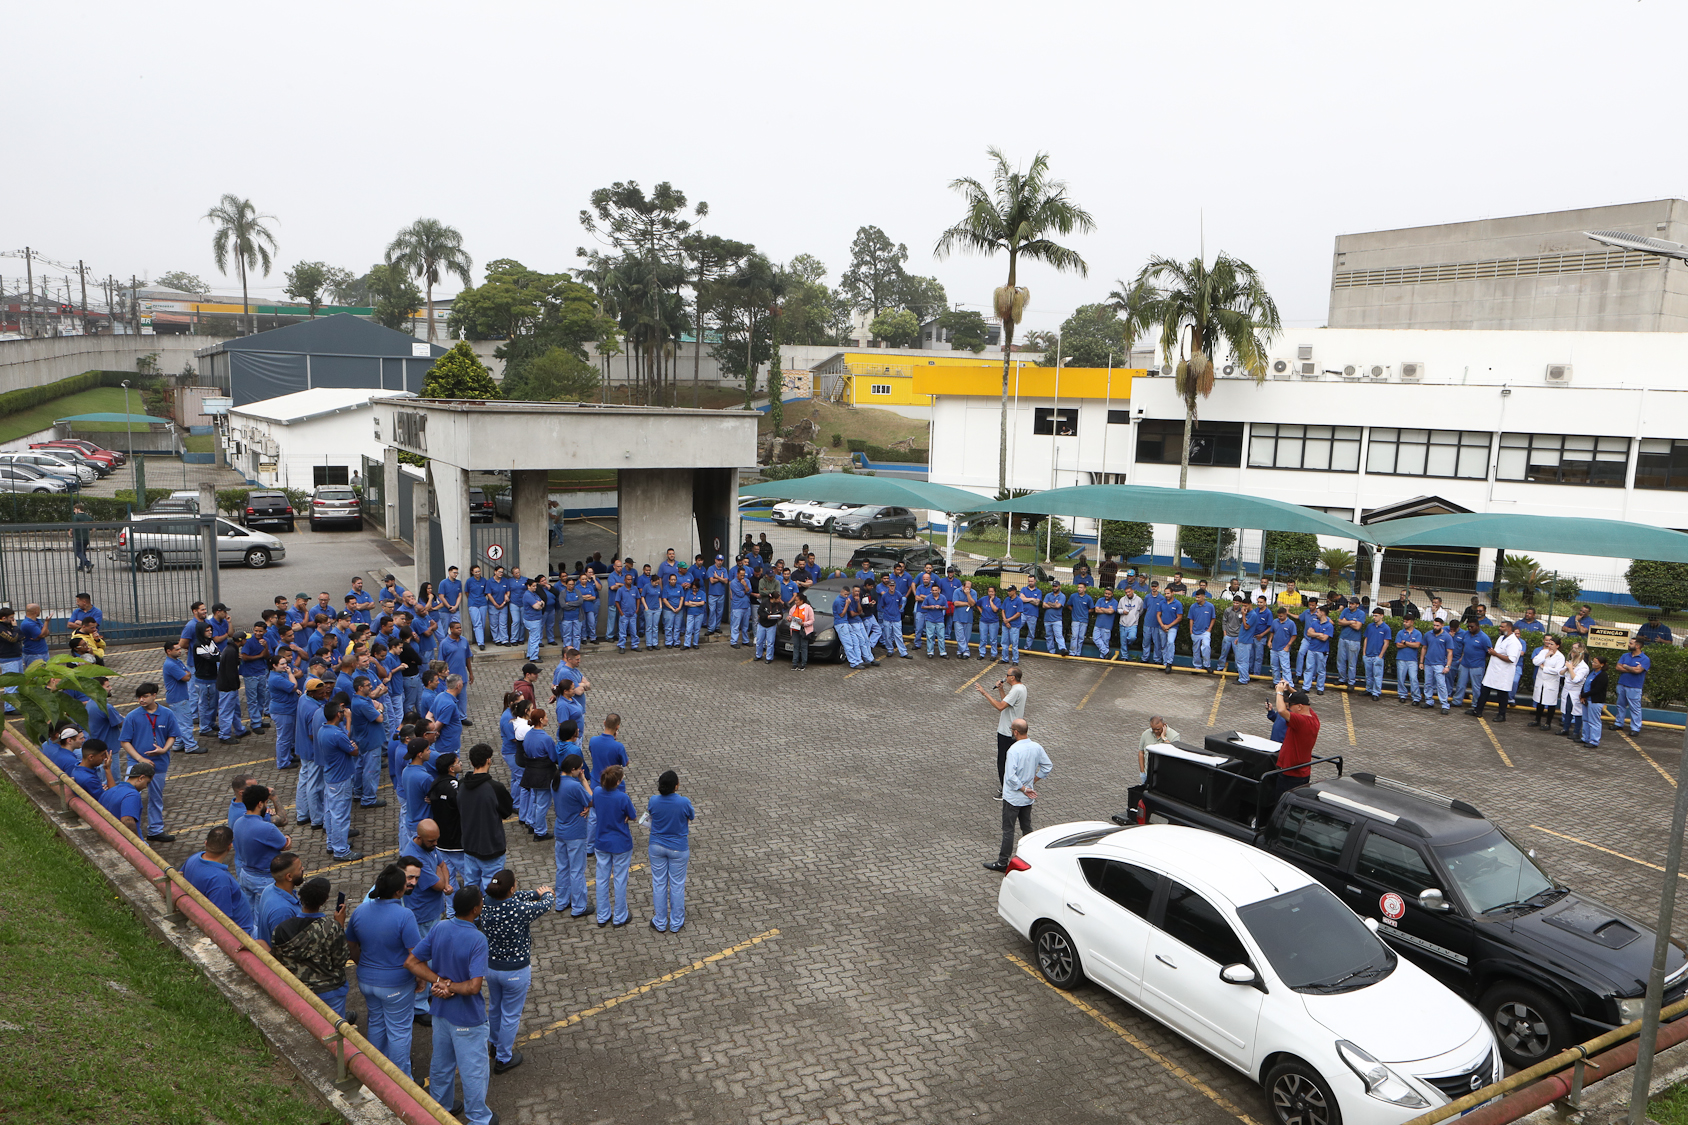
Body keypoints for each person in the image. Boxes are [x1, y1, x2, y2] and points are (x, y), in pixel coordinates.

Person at [407, 885, 493, 1123]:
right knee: (473, 1071)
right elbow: (473, 987)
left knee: (441, 1064)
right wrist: (450, 986)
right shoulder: (478, 939)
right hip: (468, 1018)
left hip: (440, 1013)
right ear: (475, 909)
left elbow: (412, 962)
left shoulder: (440, 927)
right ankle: (478, 1118)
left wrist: (438, 982)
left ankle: (440, 1109)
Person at [347, 864, 423, 1077]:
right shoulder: (405, 915)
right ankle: (400, 1079)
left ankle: (375, 1074)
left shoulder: (360, 910)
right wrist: (421, 978)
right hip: (396, 985)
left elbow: (351, 944)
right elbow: (415, 954)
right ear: (398, 891)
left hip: (366, 981)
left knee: (376, 1022)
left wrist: (362, 964)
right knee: (399, 1032)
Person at [271, 877, 353, 1018]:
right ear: (324, 901)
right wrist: (339, 925)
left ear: (301, 897)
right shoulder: (331, 928)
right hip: (330, 991)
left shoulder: (281, 929)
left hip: (297, 990)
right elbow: (340, 960)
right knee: (333, 1027)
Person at [982, 719, 1052, 872]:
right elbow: (1047, 766)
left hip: (1013, 798)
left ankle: (1002, 862)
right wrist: (1033, 781)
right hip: (1027, 799)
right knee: (1026, 827)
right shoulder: (1036, 747)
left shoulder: (1013, 750)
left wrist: (1023, 788)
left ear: (1015, 732)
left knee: (1008, 830)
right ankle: (1033, 857)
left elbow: (1010, 777)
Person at [119, 682, 180, 843]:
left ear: (154, 695)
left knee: (156, 797)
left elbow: (172, 735)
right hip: (136, 764)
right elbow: (124, 741)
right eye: (139, 697)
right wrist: (140, 759)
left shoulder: (167, 714)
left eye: (145, 696)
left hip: (159, 763)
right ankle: (126, 830)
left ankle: (155, 830)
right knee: (129, 796)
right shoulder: (132, 716)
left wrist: (164, 749)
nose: (141, 700)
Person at [183, 826, 263, 940]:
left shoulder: (194, 858)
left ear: (206, 843)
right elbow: (222, 920)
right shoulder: (219, 880)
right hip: (242, 934)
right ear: (230, 846)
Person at [460, 744, 514, 889]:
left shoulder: (461, 785)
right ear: (488, 760)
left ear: (471, 762)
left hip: (469, 845)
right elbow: (507, 811)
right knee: (492, 888)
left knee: (470, 886)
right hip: (491, 847)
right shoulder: (495, 788)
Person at [316, 701, 365, 861]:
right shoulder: (337, 734)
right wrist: (354, 747)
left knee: (330, 813)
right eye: (342, 712)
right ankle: (341, 850)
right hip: (340, 779)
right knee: (341, 816)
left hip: (330, 777)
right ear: (338, 714)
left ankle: (333, 843)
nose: (344, 714)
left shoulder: (323, 730)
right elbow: (354, 751)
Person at [233, 784, 292, 915]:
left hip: (245, 874)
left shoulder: (238, 823)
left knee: (248, 913)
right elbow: (285, 844)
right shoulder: (267, 828)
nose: (266, 805)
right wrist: (288, 838)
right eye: (266, 802)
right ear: (260, 804)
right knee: (263, 915)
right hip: (264, 878)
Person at [648, 769, 695, 933]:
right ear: (676, 786)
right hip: (678, 848)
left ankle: (660, 921)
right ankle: (676, 922)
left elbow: (651, 814)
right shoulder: (684, 802)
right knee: (677, 885)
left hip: (656, 846)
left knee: (659, 883)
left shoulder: (653, 800)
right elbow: (691, 816)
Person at [551, 752, 593, 917]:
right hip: (575, 833)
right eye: (580, 769)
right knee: (577, 871)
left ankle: (561, 902)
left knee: (562, 868)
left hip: (560, 830)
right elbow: (591, 800)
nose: (582, 771)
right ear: (573, 769)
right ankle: (579, 906)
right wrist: (584, 781)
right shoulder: (575, 786)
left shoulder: (555, 782)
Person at [976, 666, 1026, 797]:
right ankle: (1011, 787)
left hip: (1007, 732)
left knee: (1003, 762)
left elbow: (1000, 706)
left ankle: (1006, 791)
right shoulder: (1021, 688)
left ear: (1012, 677)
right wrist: (1001, 689)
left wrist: (985, 693)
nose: (1005, 677)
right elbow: (1007, 704)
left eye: (1007, 675)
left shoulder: (1015, 691)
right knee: (1011, 761)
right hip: (1014, 731)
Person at [1470, 620, 1523, 722]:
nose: (1500, 628)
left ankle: (1502, 715)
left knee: (1502, 694)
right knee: (1484, 691)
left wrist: (1495, 654)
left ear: (1509, 628)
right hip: (1493, 671)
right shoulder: (1501, 638)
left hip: (1503, 673)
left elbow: (1511, 659)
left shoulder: (1514, 642)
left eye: (1502, 627)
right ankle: (1478, 710)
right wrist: (1493, 652)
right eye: (1500, 626)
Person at [1273, 683, 1320, 796]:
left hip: (1291, 773)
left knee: (1282, 801)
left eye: (1290, 705)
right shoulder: (1314, 718)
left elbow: (1281, 711)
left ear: (1299, 707)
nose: (1289, 708)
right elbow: (1303, 699)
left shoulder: (1301, 721)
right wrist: (1289, 689)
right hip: (1302, 771)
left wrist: (1279, 692)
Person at [256, 851, 305, 945]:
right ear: (289, 876)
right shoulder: (283, 912)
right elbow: (284, 947)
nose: (302, 869)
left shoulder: (269, 889)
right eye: (299, 868)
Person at [1134, 716, 1179, 808]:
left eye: (1158, 729)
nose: (1155, 731)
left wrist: (1164, 737)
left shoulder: (1174, 736)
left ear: (1164, 725)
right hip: (1148, 774)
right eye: (1153, 729)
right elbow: (1141, 752)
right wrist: (1142, 771)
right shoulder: (1146, 734)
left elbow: (1174, 753)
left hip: (1164, 776)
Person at [100, 761, 151, 833]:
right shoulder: (132, 794)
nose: (145, 786)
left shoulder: (109, 791)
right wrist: (135, 839)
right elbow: (127, 821)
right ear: (141, 778)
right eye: (147, 782)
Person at [1615, 637, 1652, 734]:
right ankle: (1618, 723)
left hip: (1635, 687)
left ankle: (1635, 728)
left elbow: (1638, 671)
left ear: (1638, 646)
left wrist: (1626, 666)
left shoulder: (1645, 659)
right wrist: (1632, 669)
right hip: (1622, 684)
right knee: (1620, 705)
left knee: (1635, 708)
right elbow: (1618, 667)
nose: (1628, 644)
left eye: (1631, 643)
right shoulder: (1625, 655)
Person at [1530, 635, 1567, 730]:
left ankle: (1548, 723)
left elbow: (1557, 670)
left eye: (1552, 644)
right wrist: (1545, 656)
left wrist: (1544, 668)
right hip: (1541, 681)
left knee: (1551, 703)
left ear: (1557, 646)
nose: (1549, 646)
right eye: (1549, 644)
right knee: (1540, 701)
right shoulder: (1543, 652)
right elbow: (1535, 662)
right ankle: (1537, 720)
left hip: (1551, 683)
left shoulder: (1560, 657)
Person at [1422, 617, 1454, 714]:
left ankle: (1445, 704)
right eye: (1434, 625)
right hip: (1428, 663)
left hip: (1440, 664)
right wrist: (1421, 662)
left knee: (1441, 685)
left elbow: (1450, 652)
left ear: (1442, 625)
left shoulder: (1447, 637)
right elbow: (1424, 648)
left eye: (1437, 625)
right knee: (1428, 683)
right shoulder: (1428, 634)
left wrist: (1448, 666)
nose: (1435, 627)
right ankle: (1429, 701)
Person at [1360, 607, 1392, 700]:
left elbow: (1386, 643)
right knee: (1368, 675)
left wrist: (1380, 656)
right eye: (1373, 615)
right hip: (1368, 655)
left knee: (1377, 675)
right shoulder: (1370, 626)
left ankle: (1376, 692)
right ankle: (1369, 689)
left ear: (1382, 616)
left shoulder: (1386, 628)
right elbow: (1366, 639)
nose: (1374, 617)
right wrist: (1364, 653)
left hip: (1377, 656)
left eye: (1376, 616)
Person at [1393, 616, 1424, 705]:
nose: (1404, 623)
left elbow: (1417, 645)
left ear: (1412, 622)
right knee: (1401, 678)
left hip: (1412, 660)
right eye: (1404, 621)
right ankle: (1402, 695)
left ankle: (1416, 697)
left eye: (1407, 621)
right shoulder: (1400, 632)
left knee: (1413, 678)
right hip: (1401, 659)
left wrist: (1405, 642)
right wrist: (1411, 644)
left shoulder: (1417, 633)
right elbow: (1398, 645)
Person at [1581, 655, 1610, 746]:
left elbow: (1597, 689)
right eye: (1592, 662)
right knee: (1585, 720)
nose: (1593, 664)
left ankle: (1594, 741)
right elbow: (1585, 684)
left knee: (1594, 721)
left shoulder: (1603, 676)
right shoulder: (1591, 672)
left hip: (1595, 701)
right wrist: (1582, 695)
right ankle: (1585, 738)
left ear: (1602, 664)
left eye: (1595, 663)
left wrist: (1583, 695)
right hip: (1586, 699)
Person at [788, 593, 814, 670]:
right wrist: (789, 618)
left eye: (797, 600)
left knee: (803, 647)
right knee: (796, 646)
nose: (795, 602)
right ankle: (795, 663)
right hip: (795, 629)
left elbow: (812, 620)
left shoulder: (808, 608)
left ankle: (803, 663)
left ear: (802, 601)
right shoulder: (794, 607)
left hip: (803, 630)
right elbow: (790, 615)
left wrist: (803, 623)